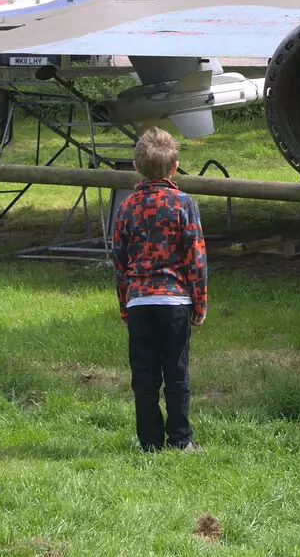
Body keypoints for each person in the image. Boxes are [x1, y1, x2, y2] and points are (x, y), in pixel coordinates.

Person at [111, 127, 207, 451]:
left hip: (139, 301)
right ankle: (181, 439)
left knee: (144, 375)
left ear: (136, 167)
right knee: (177, 373)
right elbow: (196, 255)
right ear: (175, 166)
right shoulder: (183, 203)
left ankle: (149, 441)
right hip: (175, 300)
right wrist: (200, 302)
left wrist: (124, 305)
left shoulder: (125, 207)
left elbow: (119, 262)